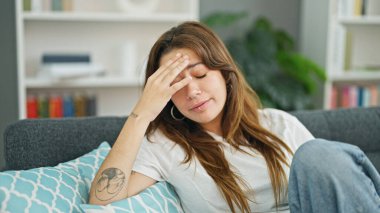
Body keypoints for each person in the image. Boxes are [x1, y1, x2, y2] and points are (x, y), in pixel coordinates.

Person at [89, 21, 380, 213]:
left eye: (201, 74)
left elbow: (333, 188)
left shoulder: (279, 124)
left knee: (319, 154)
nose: (192, 90)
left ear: (225, 74)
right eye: (175, 83)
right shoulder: (164, 146)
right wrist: (141, 114)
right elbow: (102, 200)